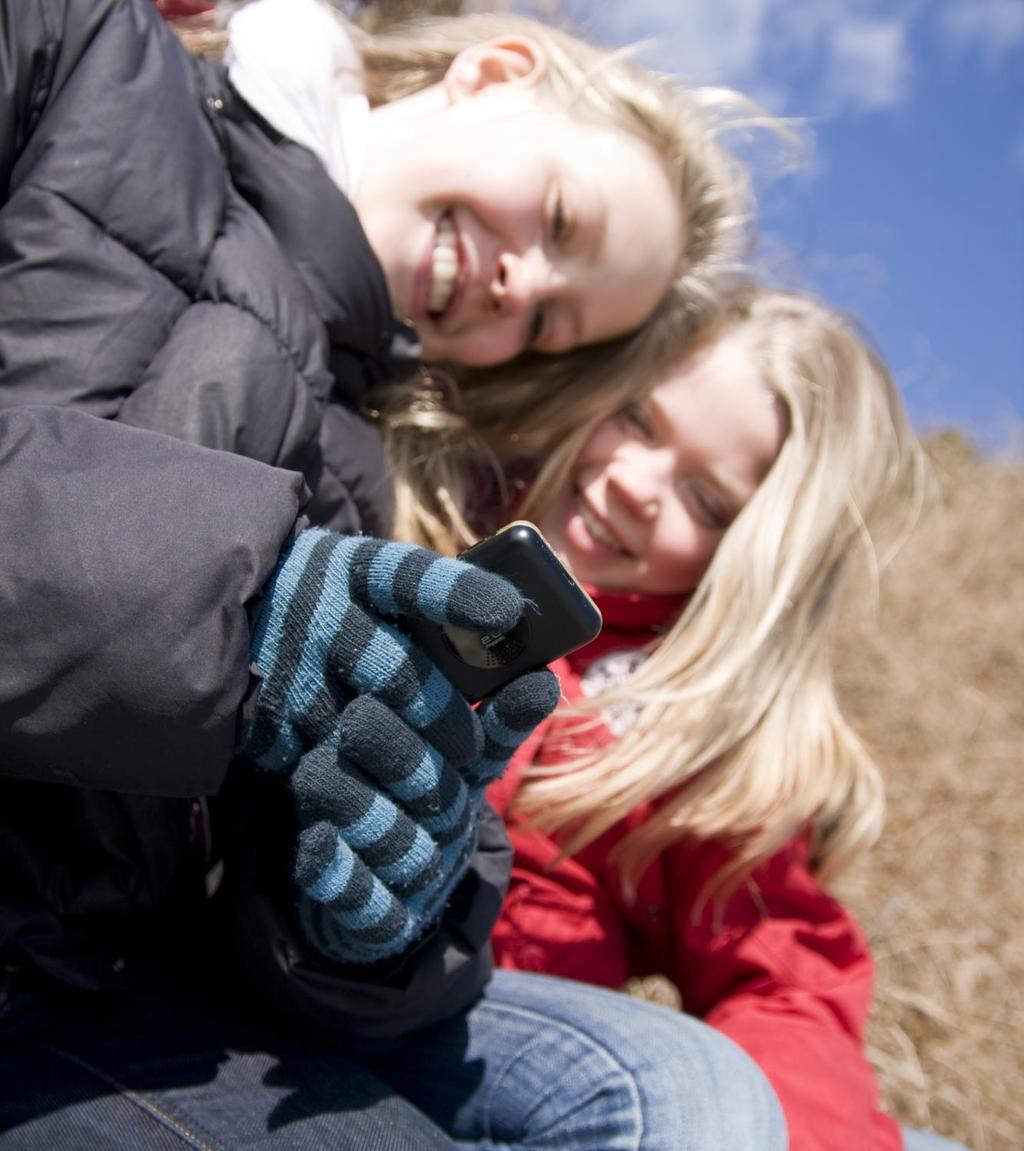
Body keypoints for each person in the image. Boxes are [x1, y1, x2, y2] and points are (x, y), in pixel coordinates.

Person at [0, 0, 773, 1146]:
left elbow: (201, 917)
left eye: (553, 324)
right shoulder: (77, 47)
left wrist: (359, 920)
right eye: (559, 218)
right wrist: (231, 614)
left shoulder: (372, 482)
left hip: (64, 1009)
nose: (520, 288)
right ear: (496, 72)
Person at [417, 284, 963, 1151]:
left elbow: (780, 983)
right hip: (357, 998)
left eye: (706, 501)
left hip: (515, 1056)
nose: (636, 484)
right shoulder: (426, 502)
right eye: (636, 419)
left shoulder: (683, 719)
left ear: (748, 557)